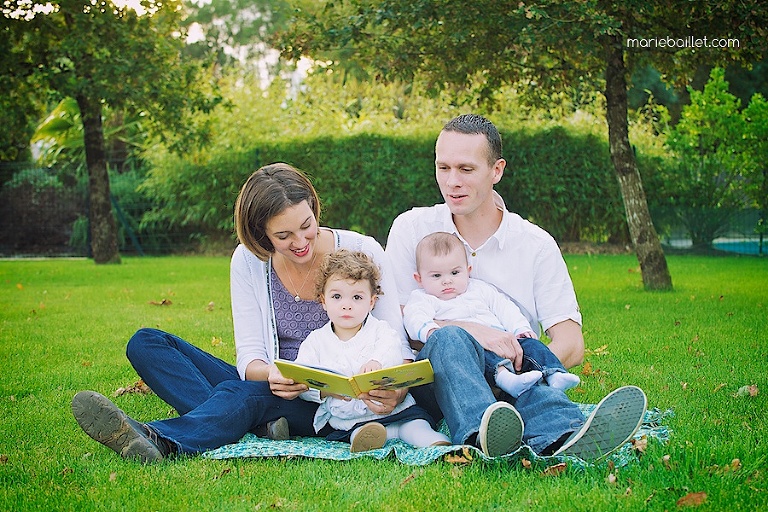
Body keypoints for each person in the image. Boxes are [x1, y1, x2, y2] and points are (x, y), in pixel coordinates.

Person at [71, 162, 412, 463]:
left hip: (327, 403)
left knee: (239, 395)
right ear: (260, 233)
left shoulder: (362, 250)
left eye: (306, 224)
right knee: (146, 342)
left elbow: (396, 343)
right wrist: (273, 376)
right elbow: (250, 359)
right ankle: (259, 425)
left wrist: (394, 389)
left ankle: (161, 439)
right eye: (283, 235)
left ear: (314, 206)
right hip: (275, 384)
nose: (301, 241)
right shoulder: (249, 261)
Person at [386, 114, 647, 460]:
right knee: (449, 341)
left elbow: (571, 342)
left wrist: (520, 358)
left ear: (497, 171)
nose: (452, 182)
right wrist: (473, 332)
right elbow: (401, 323)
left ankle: (566, 435)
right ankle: (484, 435)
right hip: (441, 381)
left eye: (466, 169)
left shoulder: (535, 244)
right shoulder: (412, 228)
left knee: (534, 385)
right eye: (443, 168)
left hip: (516, 375)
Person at [292, 249, 450, 452]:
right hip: (348, 420)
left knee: (414, 425)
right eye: (337, 296)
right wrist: (322, 391)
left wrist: (377, 362)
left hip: (394, 410)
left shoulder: (381, 331)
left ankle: (428, 438)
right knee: (357, 432)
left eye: (357, 297)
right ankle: (368, 439)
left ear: (371, 302)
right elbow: (303, 377)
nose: (346, 305)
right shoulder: (315, 342)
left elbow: (392, 349)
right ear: (323, 301)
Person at [404, 231, 580, 399]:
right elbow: (414, 318)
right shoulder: (423, 299)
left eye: (455, 272)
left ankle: (554, 374)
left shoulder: (480, 289)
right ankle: (507, 380)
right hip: (471, 351)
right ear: (419, 278)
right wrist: (431, 332)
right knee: (484, 355)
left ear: (468, 269)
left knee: (532, 345)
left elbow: (505, 308)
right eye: (436, 275)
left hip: (506, 342)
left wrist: (520, 329)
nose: (447, 280)